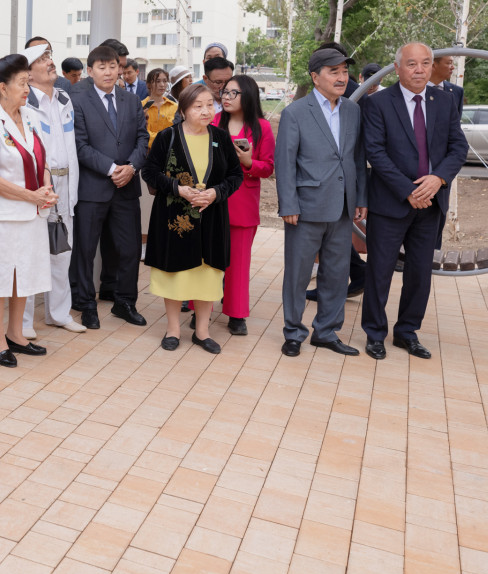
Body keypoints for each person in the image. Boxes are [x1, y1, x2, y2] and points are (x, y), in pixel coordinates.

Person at [359, 43, 468, 360]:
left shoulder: (445, 101)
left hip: (431, 203)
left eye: (425, 63)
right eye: (412, 64)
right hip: (391, 203)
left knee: (420, 273)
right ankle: (375, 334)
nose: (419, 69)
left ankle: (407, 332)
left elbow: (457, 148)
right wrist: (408, 190)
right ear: (397, 68)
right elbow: (375, 153)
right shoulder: (378, 103)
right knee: (379, 271)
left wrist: (438, 180)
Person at [275, 48, 367, 358]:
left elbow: (357, 158)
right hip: (305, 206)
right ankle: (293, 332)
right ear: (316, 77)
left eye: (344, 71)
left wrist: (361, 198)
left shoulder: (352, 111)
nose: (342, 77)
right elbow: (285, 162)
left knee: (337, 273)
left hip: (343, 206)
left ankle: (326, 331)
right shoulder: (295, 112)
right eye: (334, 72)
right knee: (299, 274)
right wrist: (288, 204)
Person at [143, 81, 243, 353]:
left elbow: (236, 175)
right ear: (184, 110)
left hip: (211, 218)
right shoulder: (168, 137)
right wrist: (178, 189)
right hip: (175, 218)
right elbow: (149, 173)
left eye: (210, 105)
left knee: (206, 275)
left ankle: (202, 331)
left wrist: (215, 193)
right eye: (198, 106)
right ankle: (173, 329)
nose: (206, 111)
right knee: (175, 275)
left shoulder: (220, 138)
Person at [0, 53, 57, 366]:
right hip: (5, 216)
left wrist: (46, 189)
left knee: (23, 274)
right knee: (1, 276)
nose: (27, 88)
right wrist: (32, 196)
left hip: (33, 213)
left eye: (28, 81)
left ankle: (16, 334)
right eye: (22, 83)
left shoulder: (32, 117)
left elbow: (42, 161)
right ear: (2, 88)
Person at [69, 45, 150, 329]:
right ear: (90, 71)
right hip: (92, 188)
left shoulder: (131, 100)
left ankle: (125, 302)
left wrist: (130, 167)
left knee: (129, 249)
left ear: (120, 69)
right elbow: (78, 145)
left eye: (113, 66)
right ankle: (86, 303)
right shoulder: (77, 101)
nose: (108, 72)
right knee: (86, 249)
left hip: (127, 186)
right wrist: (111, 168)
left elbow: (143, 139)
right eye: (101, 67)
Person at [23, 40, 85, 337]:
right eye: (43, 58)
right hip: (37, 188)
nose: (50, 62)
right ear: (29, 72)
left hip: (65, 185)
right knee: (33, 255)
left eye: (50, 56)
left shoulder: (63, 98)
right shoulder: (24, 101)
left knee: (62, 252)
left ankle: (58, 314)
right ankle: (22, 322)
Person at [216, 74, 275, 335]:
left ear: (247, 96)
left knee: (238, 264)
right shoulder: (214, 121)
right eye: (224, 93)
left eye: (232, 93)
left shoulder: (262, 127)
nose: (226, 98)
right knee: (206, 259)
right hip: (212, 200)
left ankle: (236, 314)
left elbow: (269, 167)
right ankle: (198, 307)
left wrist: (250, 162)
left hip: (242, 204)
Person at [141, 68, 177, 148]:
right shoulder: (141, 106)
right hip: (145, 152)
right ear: (148, 84)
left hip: (168, 152)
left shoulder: (174, 106)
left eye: (165, 81)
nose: (162, 85)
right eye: (157, 81)